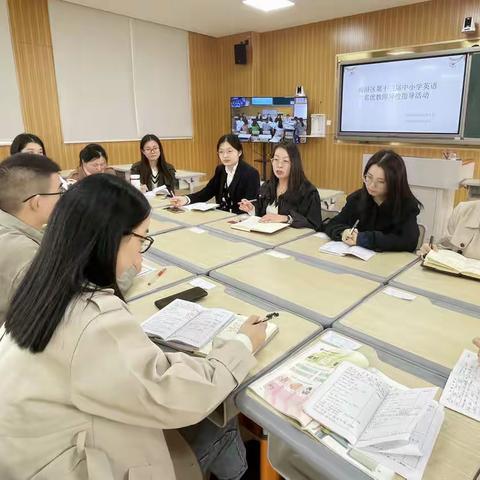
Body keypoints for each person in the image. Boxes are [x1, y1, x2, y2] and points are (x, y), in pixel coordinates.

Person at [0, 174, 266, 480]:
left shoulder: (42, 287)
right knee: (219, 419)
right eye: (141, 241)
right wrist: (242, 344)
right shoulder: (91, 322)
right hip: (76, 463)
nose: (139, 263)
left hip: (35, 456)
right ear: (111, 239)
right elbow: (175, 395)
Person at [0, 153, 63, 325]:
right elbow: (67, 313)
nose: (62, 197)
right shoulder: (23, 254)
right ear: (36, 202)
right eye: (59, 191)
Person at [324, 150, 421, 252]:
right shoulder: (357, 198)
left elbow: (409, 242)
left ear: (394, 182)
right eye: (369, 177)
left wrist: (366, 239)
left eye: (380, 182)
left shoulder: (406, 205)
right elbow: (333, 224)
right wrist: (342, 232)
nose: (371, 185)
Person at [238, 141, 322, 231]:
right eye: (276, 159)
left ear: (295, 163)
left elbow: (315, 224)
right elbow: (262, 215)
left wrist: (286, 218)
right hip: (266, 237)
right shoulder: (267, 186)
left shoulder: (308, 192)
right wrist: (252, 209)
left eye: (285, 161)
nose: (279, 165)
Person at [171, 134, 260, 214]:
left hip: (240, 219)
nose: (225, 156)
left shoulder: (251, 173)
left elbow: (251, 204)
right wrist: (185, 199)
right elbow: (207, 192)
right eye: (221, 152)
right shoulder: (220, 170)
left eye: (229, 151)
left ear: (239, 152)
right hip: (220, 216)